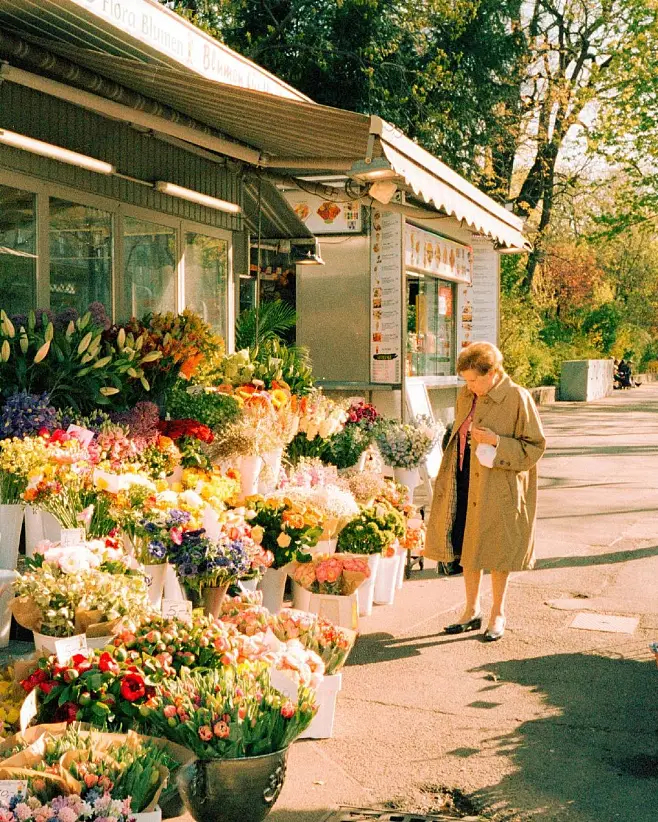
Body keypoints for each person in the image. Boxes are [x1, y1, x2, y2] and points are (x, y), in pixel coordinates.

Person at [424, 342, 546, 641]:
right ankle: (471, 610)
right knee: (468, 545)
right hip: (464, 478)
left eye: (474, 380)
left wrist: (497, 442)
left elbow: (535, 447)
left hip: (499, 484)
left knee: (498, 550)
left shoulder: (517, 397)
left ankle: (498, 613)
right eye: (466, 380)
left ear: (492, 373)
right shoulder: (467, 396)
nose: (470, 386)